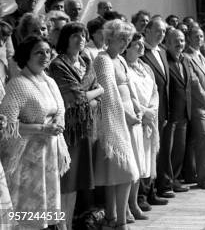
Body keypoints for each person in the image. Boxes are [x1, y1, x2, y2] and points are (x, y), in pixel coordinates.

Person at [0, 35, 70, 229]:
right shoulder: (18, 84)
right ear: (26, 56)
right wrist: (42, 129)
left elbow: (60, 109)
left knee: (46, 211)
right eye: (39, 52)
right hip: (27, 159)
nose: (45, 56)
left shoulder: (49, 81)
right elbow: (7, 125)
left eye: (48, 52)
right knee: (28, 212)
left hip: (49, 157)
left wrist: (58, 122)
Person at [48, 22, 104, 229]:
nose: (80, 39)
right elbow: (76, 98)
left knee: (78, 184)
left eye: (83, 36)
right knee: (66, 183)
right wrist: (98, 93)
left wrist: (90, 95)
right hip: (68, 132)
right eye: (75, 36)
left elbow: (87, 92)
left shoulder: (86, 61)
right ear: (65, 39)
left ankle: (69, 224)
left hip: (86, 130)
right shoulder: (58, 65)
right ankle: (61, 226)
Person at [93, 20, 140, 230]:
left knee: (116, 173)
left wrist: (137, 110)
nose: (125, 43)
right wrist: (126, 117)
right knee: (126, 172)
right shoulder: (103, 59)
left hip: (127, 119)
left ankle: (113, 218)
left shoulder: (119, 59)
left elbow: (128, 87)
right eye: (122, 38)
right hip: (114, 121)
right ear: (110, 37)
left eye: (128, 39)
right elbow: (108, 94)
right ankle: (119, 220)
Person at [124, 33, 159, 214]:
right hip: (134, 118)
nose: (140, 46)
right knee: (133, 162)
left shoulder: (145, 67)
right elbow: (128, 94)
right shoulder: (124, 68)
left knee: (143, 161)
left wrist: (152, 111)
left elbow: (155, 91)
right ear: (127, 47)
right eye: (136, 44)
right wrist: (143, 112)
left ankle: (135, 202)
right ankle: (128, 205)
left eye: (141, 43)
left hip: (149, 119)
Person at [140, 17, 171, 203]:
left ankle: (153, 190)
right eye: (158, 30)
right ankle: (143, 195)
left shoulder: (163, 52)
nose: (162, 34)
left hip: (161, 110)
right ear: (147, 30)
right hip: (147, 111)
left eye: (164, 31)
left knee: (156, 153)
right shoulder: (142, 52)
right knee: (146, 153)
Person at [183, 27, 205, 189]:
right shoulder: (187, 57)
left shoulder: (202, 56)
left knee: (201, 140)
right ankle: (204, 177)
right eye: (196, 36)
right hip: (197, 106)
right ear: (188, 37)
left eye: (201, 36)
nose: (199, 39)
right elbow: (194, 82)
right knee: (204, 139)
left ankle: (194, 172)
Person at [158, 29, 191, 194]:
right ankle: (164, 184)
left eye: (183, 41)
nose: (180, 44)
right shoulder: (164, 60)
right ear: (167, 43)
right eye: (176, 41)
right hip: (170, 114)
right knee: (166, 151)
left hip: (183, 113)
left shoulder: (184, 60)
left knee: (179, 149)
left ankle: (175, 179)